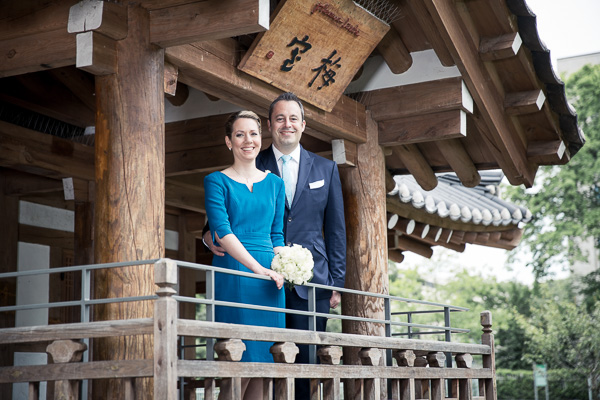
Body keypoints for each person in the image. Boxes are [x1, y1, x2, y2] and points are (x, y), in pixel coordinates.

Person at [205, 93, 346, 399]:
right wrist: (208, 237)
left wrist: (337, 282)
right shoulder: (254, 160)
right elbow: (220, 223)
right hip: (257, 272)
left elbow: (335, 229)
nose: (287, 124)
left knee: (303, 361)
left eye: (293, 118)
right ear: (270, 125)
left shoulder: (326, 168)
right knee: (249, 358)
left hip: (312, 279)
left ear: (303, 124)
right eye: (280, 118)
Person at [203, 110, 286, 399]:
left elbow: (277, 235)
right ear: (229, 141)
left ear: (261, 139)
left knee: (264, 365)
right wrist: (257, 269)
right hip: (234, 270)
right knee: (237, 363)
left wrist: (283, 265)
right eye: (239, 134)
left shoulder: (276, 183)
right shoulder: (215, 181)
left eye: (253, 133)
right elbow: (222, 231)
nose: (247, 140)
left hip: (269, 278)